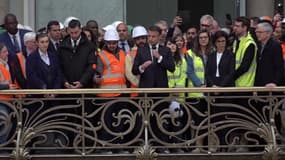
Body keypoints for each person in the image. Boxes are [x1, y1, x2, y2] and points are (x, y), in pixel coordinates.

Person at [132, 25, 175, 90]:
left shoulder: (166, 50)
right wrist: (142, 67)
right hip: (146, 90)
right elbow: (134, 71)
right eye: (149, 36)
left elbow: (172, 68)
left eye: (153, 36)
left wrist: (160, 58)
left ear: (159, 37)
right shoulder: (141, 50)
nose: (150, 39)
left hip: (161, 90)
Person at [58, 19, 96, 89]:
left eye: (76, 32)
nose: (74, 35)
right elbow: (59, 67)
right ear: (68, 31)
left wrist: (82, 82)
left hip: (84, 88)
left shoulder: (89, 46)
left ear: (81, 30)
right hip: (66, 88)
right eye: (71, 33)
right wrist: (64, 81)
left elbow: (91, 66)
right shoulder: (62, 46)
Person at [254, 22, 285, 87]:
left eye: (260, 32)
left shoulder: (275, 46)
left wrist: (275, 82)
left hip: (271, 85)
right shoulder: (258, 45)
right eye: (256, 32)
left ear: (268, 33)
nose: (257, 34)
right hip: (259, 84)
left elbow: (279, 66)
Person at [0, 43, 17, 145]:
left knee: (8, 124)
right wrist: (7, 87)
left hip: (7, 100)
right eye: (4, 52)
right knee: (5, 124)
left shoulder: (5, 64)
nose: (7, 53)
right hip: (2, 101)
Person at [125, 26, 148, 97]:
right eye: (138, 39)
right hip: (135, 92)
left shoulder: (151, 51)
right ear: (134, 40)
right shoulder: (129, 55)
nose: (141, 41)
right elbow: (130, 75)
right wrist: (143, 84)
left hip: (151, 91)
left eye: (143, 38)